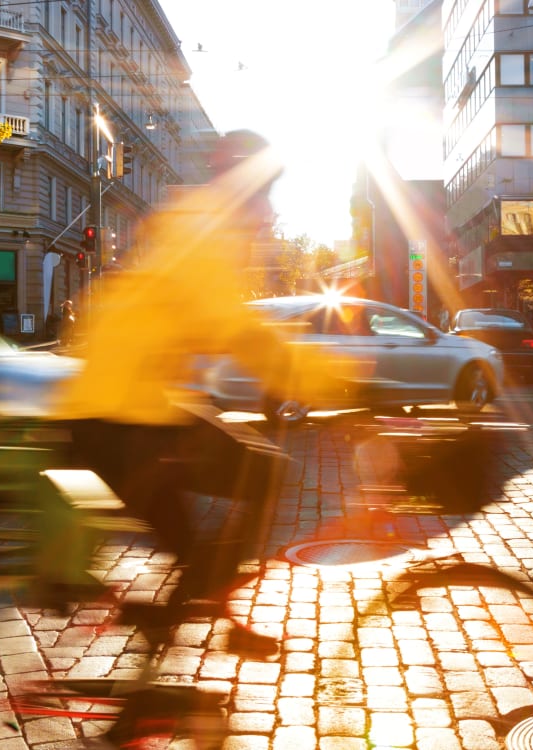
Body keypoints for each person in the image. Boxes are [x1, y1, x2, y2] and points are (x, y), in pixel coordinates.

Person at [44, 130, 359, 652]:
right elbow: (231, 328)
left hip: (128, 406)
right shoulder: (208, 229)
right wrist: (328, 383)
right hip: (122, 417)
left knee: (196, 533)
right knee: (266, 472)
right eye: (266, 194)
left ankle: (198, 611)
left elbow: (210, 325)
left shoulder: (197, 219)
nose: (267, 209)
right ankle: (201, 609)